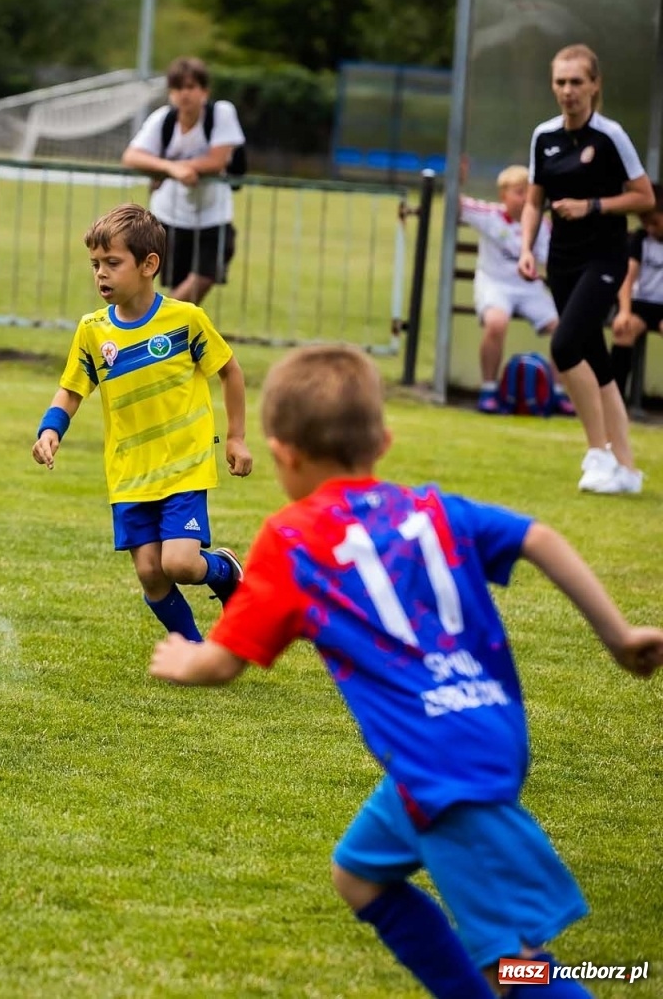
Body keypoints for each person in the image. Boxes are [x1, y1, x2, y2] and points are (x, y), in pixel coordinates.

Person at [149, 344, 662, 999]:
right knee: (359, 875)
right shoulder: (430, 508)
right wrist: (617, 635)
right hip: (480, 729)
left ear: (282, 454)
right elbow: (537, 537)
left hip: (439, 764)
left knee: (515, 966)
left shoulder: (292, 538)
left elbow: (223, 663)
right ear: (384, 441)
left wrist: (186, 657)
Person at [32, 202, 252, 646]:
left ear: (149, 264)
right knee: (152, 574)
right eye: (95, 264)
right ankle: (191, 650)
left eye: (113, 263)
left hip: (182, 466)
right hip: (129, 473)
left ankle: (225, 572)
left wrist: (236, 437)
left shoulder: (185, 321)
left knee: (181, 564)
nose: (101, 274)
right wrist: (50, 428)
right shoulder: (93, 331)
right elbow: (72, 389)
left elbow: (230, 371)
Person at [520, 44, 655, 493]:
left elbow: (644, 198)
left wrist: (591, 206)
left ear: (595, 85)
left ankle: (597, 453)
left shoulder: (611, 136)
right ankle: (627, 470)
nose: (568, 91)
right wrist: (526, 247)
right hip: (562, 262)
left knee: (565, 344)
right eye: (560, 82)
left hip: (605, 258)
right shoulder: (544, 136)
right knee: (597, 363)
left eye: (577, 82)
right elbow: (534, 201)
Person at [122, 56, 245, 305]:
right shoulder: (163, 120)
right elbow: (131, 156)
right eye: (177, 88)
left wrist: (175, 168)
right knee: (179, 284)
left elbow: (217, 160)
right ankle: (173, 334)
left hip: (213, 214)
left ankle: (159, 324)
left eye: (190, 87)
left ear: (204, 91)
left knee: (206, 275)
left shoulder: (221, 113)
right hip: (171, 214)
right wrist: (171, 168)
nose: (184, 94)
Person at [457, 164, 566, 413]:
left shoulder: (543, 224)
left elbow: (550, 262)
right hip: (495, 285)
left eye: (530, 192)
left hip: (529, 289)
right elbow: (458, 204)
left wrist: (537, 274)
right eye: (519, 192)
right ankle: (488, 389)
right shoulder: (490, 215)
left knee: (563, 329)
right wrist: (457, 178)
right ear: (503, 195)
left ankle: (557, 393)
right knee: (497, 323)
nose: (526, 198)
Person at [610, 186, 663, 398]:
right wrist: (624, 311)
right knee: (623, 330)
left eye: (655, 223)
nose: (650, 228)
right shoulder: (640, 240)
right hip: (641, 304)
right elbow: (627, 277)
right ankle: (615, 395)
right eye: (646, 223)